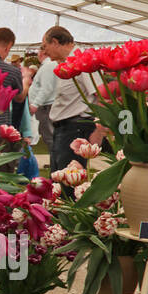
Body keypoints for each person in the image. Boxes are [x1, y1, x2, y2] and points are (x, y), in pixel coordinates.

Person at [35, 25, 106, 198]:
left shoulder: (82, 61)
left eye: (45, 46)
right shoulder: (67, 64)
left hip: (75, 129)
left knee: (69, 184)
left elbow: (102, 95)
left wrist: (99, 130)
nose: (45, 52)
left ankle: (72, 221)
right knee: (59, 182)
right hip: (63, 129)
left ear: (56, 42)